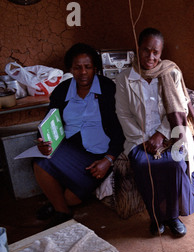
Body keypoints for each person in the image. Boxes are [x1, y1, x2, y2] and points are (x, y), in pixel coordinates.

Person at [115, 27, 194, 238]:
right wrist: (145, 140)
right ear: (138, 49)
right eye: (146, 50)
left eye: (156, 52)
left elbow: (177, 109)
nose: (150, 57)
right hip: (138, 139)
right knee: (144, 165)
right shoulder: (125, 79)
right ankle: (156, 217)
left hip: (170, 136)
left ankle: (172, 217)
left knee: (175, 163)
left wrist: (160, 135)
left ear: (161, 53)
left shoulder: (170, 73)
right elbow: (123, 114)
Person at [33, 43, 125, 227]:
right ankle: (62, 213)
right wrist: (43, 140)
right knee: (40, 161)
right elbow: (48, 121)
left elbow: (122, 129)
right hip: (70, 150)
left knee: (72, 197)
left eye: (88, 67)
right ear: (70, 69)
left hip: (98, 153)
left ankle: (56, 203)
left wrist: (108, 159)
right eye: (77, 67)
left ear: (95, 68)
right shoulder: (62, 91)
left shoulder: (108, 90)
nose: (83, 72)